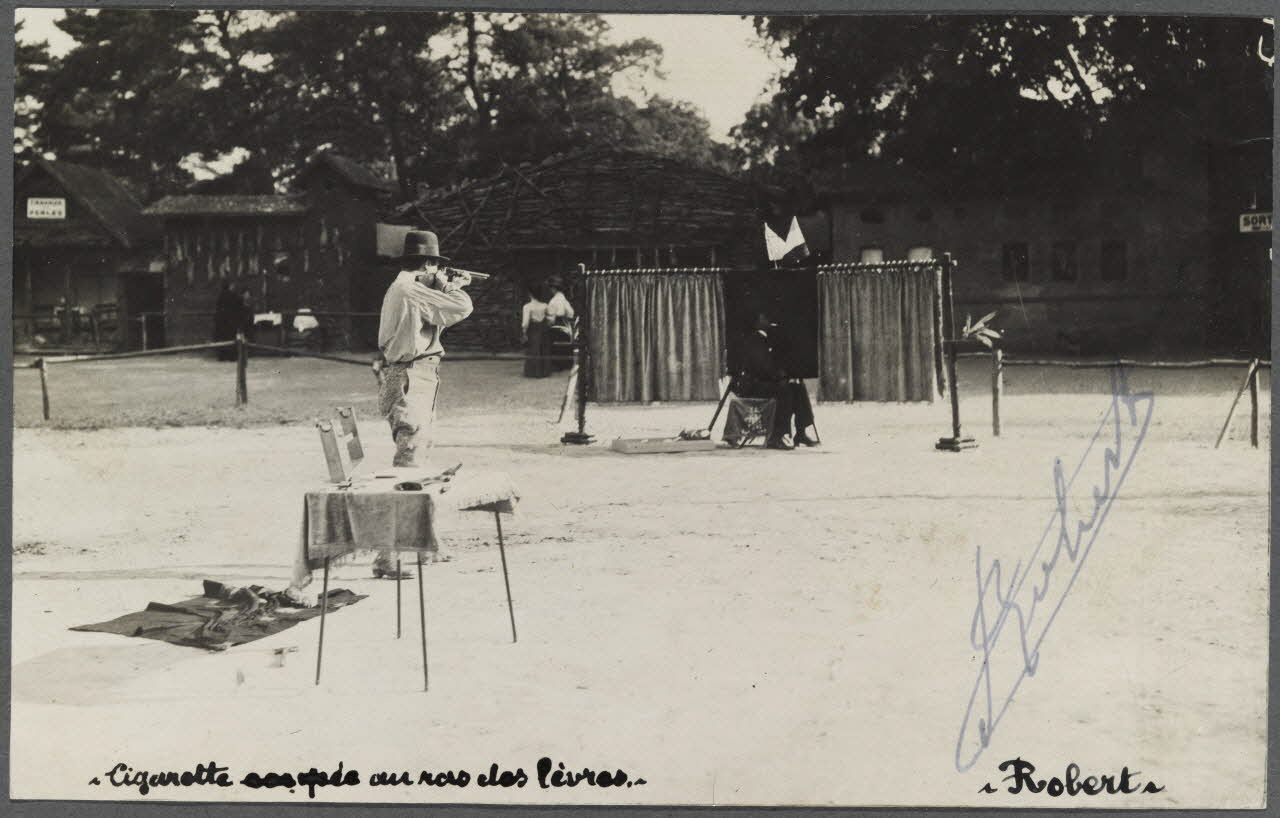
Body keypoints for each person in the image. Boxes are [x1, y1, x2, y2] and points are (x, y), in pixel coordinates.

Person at [372, 229, 473, 579]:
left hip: (417, 376)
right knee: (408, 471)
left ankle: (427, 543)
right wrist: (448, 287)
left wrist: (440, 284)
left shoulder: (408, 287)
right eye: (435, 266)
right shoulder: (411, 288)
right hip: (411, 377)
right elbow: (462, 307)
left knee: (422, 469)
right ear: (428, 264)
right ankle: (386, 556)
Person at [733, 311, 819, 450]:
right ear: (757, 322)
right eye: (765, 318)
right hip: (753, 386)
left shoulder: (765, 339)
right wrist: (780, 377)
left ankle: (801, 432)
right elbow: (761, 368)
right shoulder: (754, 340)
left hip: (763, 382)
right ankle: (777, 436)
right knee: (784, 390)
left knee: (798, 388)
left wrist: (783, 376)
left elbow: (769, 366)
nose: (768, 320)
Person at [521, 285, 553, 378]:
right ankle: (545, 371)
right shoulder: (545, 306)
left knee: (534, 349)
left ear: (530, 294)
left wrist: (524, 331)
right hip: (543, 328)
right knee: (544, 348)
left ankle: (533, 372)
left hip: (533, 328)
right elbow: (550, 319)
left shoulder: (527, 306)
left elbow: (525, 322)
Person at [545, 276, 576, 371]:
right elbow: (571, 313)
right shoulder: (563, 299)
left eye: (551, 288)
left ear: (553, 288)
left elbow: (558, 314)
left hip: (557, 326)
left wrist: (549, 318)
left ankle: (555, 364)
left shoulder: (555, 300)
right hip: (564, 327)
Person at [212, 283, 241, 361]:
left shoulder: (221, 296)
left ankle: (222, 356)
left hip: (222, 321)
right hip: (230, 321)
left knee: (223, 338)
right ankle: (231, 356)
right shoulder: (234, 296)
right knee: (230, 338)